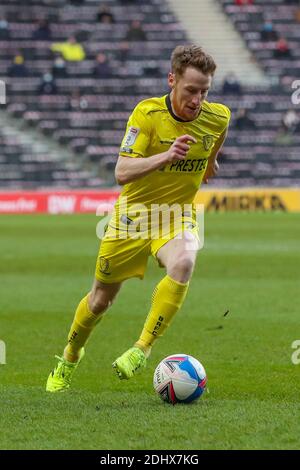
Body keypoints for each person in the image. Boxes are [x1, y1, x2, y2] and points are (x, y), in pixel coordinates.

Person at [46, 44, 230, 392]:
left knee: (184, 262)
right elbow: (121, 171)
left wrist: (211, 162)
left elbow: (216, 139)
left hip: (176, 215)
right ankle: (70, 356)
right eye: (191, 90)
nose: (198, 99)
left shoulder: (218, 115)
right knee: (100, 300)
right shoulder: (146, 115)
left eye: (204, 91)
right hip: (133, 218)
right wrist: (165, 157)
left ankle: (142, 349)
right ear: (172, 80)